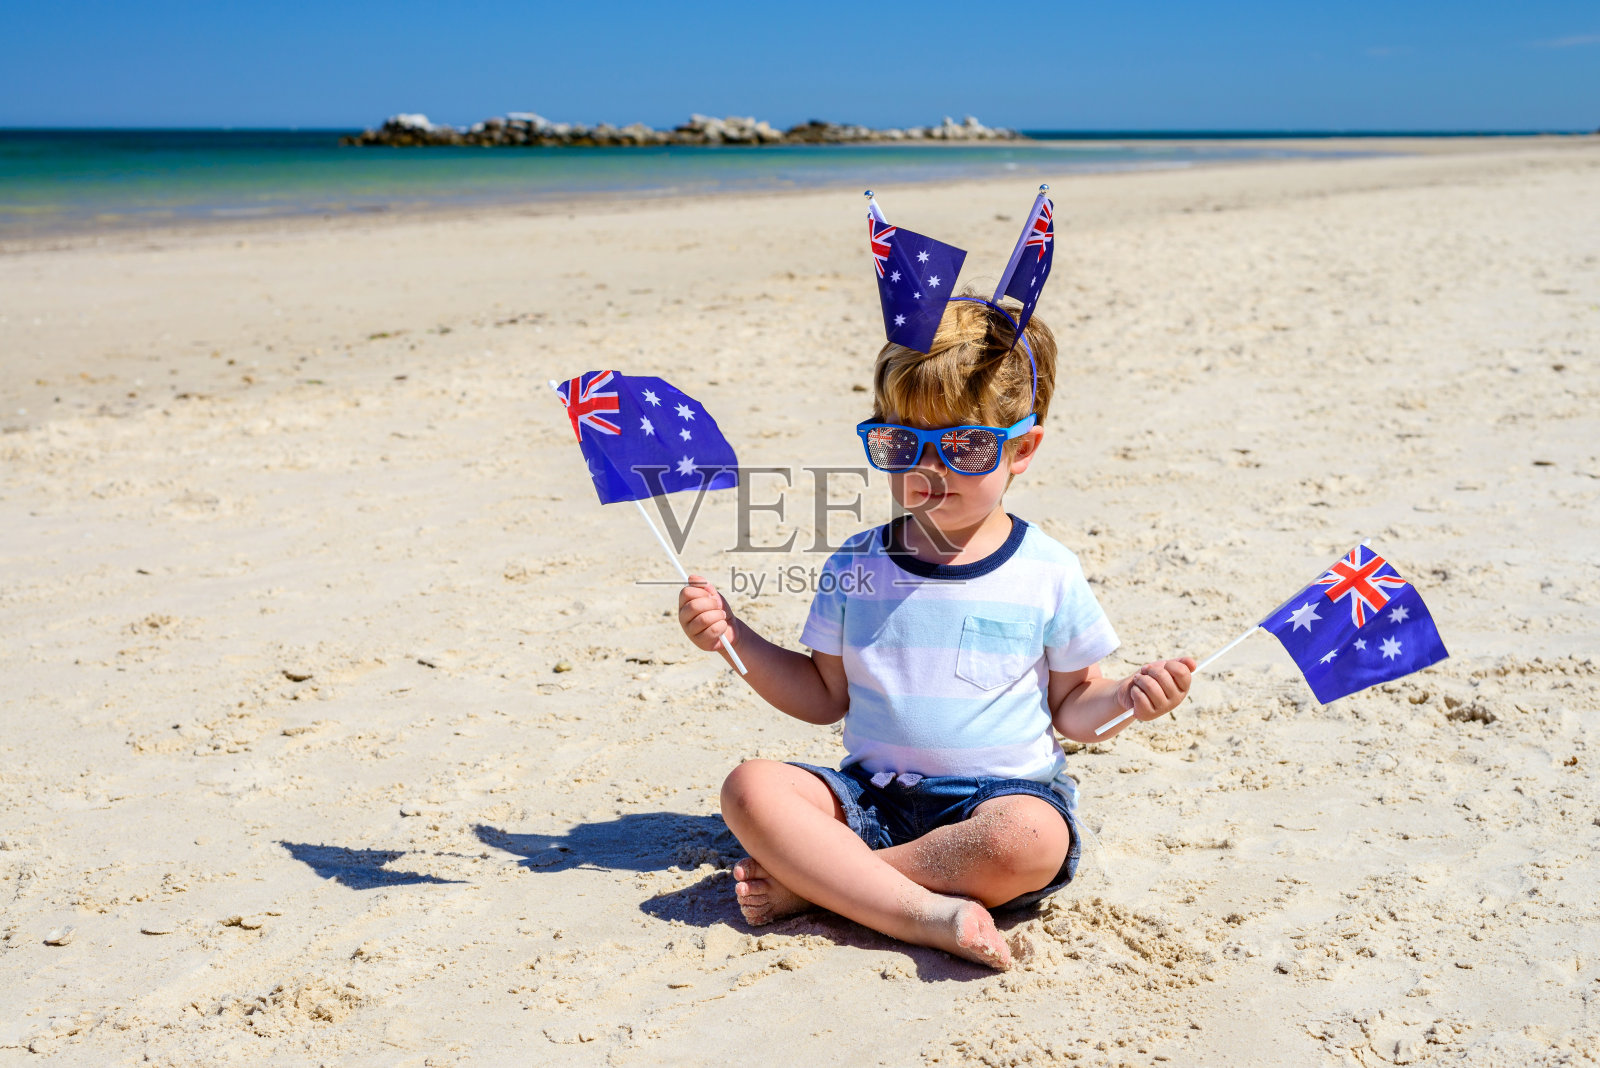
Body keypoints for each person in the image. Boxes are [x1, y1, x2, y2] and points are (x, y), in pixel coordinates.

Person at [677, 296, 1195, 969]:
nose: (929, 468)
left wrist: (1130, 698)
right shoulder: (856, 565)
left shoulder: (1046, 571)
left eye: (965, 446)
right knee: (749, 786)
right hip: (872, 798)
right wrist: (733, 639)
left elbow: (1073, 708)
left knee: (1032, 839)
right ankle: (921, 910)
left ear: (1022, 449)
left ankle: (832, 883)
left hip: (1000, 802)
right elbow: (821, 696)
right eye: (902, 444)